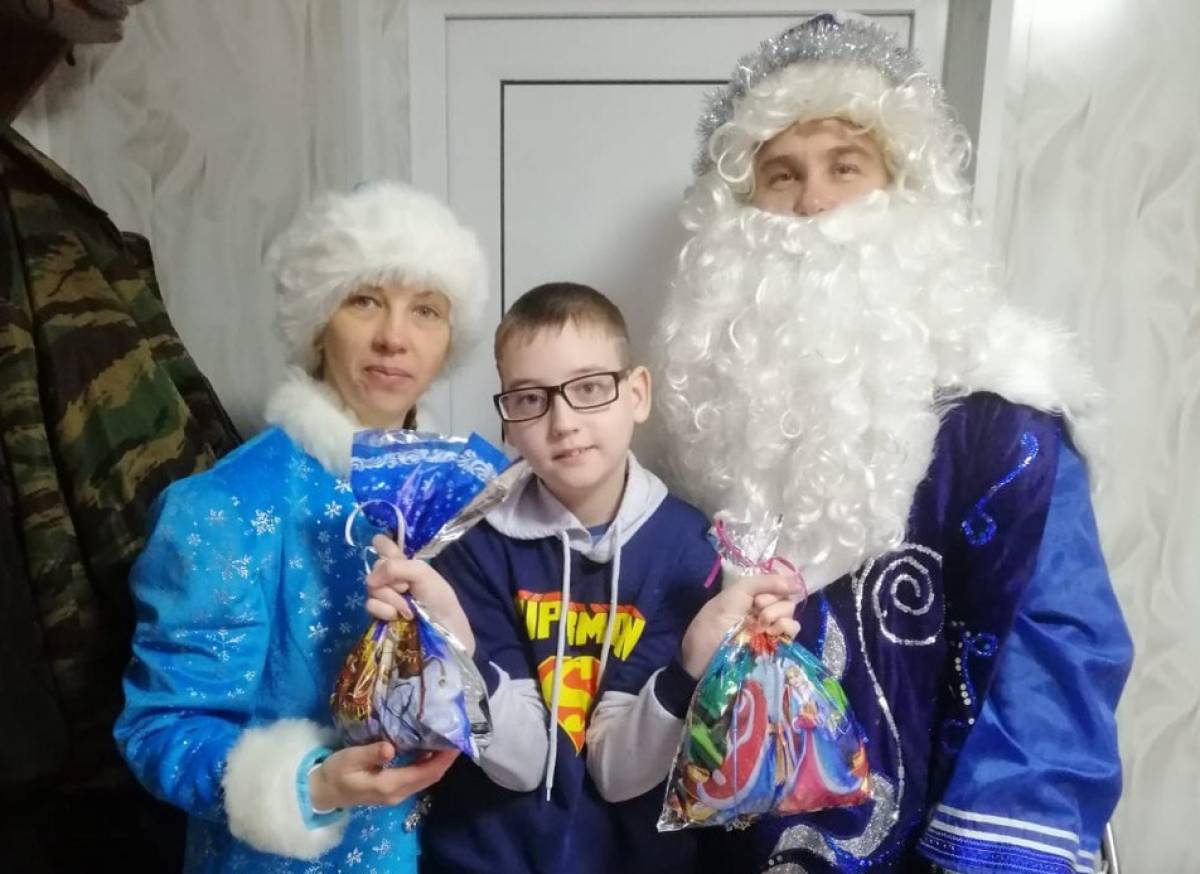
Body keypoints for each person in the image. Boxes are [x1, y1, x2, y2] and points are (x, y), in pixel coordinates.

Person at [653, 13, 1133, 874]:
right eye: (781, 175)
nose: (813, 203)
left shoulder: (1003, 429)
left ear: (904, 189)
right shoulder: (700, 427)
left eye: (846, 166)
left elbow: (1054, 667)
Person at [113, 181, 488, 871]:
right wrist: (307, 786)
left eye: (426, 310)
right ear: (319, 321)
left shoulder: (474, 493)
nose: (394, 337)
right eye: (364, 299)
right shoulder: (224, 506)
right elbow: (160, 726)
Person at [365, 281, 801, 874]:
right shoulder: (472, 545)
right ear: (508, 422)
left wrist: (691, 666)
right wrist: (454, 644)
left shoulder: (687, 549)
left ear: (637, 394)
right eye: (530, 398)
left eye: (590, 388)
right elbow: (522, 763)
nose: (563, 422)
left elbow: (619, 773)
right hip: (485, 858)